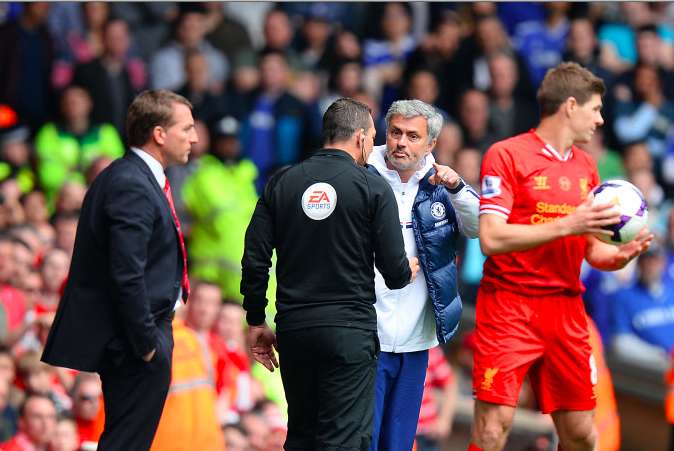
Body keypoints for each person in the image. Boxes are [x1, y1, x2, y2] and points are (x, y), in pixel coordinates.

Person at [470, 62, 653, 451]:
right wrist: (570, 224)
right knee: (491, 429)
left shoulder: (588, 166)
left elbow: (591, 249)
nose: (601, 120)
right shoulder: (506, 155)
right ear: (571, 105)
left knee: (582, 435)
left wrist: (620, 256)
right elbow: (491, 237)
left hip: (565, 310)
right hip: (509, 306)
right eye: (595, 109)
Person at [240, 97, 419, 450]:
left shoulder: (282, 182)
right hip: (348, 333)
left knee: (303, 436)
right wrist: (410, 269)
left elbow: (255, 258)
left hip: (295, 331)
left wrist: (257, 319)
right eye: (371, 137)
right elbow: (395, 273)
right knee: (344, 440)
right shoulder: (371, 187)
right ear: (360, 138)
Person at [41, 90, 198, 450]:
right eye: (186, 128)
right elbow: (126, 273)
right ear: (159, 134)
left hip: (138, 336)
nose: (194, 137)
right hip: (133, 341)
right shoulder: (131, 183)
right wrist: (147, 344)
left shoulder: (136, 177)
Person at [366, 99, 479, 450]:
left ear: (430, 144)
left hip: (417, 340)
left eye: (412, 136)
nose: (401, 142)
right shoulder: (361, 174)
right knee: (361, 441)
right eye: (396, 132)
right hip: (367, 337)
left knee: (398, 444)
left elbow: (479, 227)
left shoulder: (440, 185)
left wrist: (458, 188)